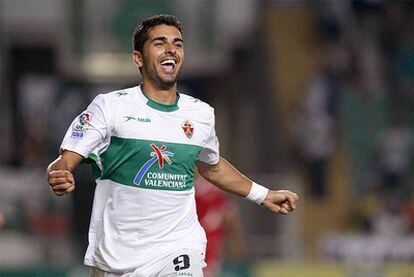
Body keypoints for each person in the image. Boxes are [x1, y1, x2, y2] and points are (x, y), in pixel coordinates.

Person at [46, 14, 299, 277]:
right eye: (160, 43)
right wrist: (59, 173)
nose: (171, 49)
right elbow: (65, 160)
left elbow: (211, 167)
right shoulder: (110, 107)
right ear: (138, 58)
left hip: (178, 249)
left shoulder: (200, 114)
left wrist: (263, 194)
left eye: (178, 44)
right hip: (118, 259)